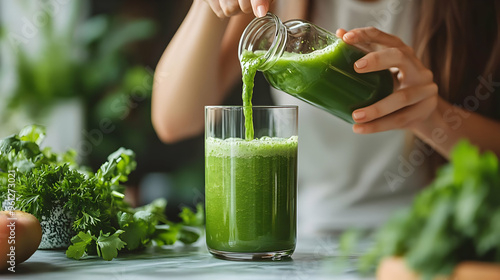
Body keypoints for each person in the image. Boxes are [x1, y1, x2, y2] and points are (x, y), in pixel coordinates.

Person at [152, 0, 500, 235]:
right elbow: (174, 119)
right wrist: (206, 9)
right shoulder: (276, 8)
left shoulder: (469, 12)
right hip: (312, 238)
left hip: (434, 237)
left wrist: (432, 117)